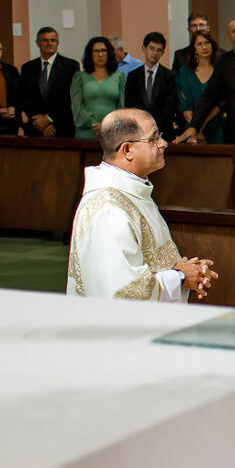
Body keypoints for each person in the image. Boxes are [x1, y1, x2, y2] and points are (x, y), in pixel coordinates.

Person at [67, 109, 216, 301]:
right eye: (153, 139)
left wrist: (189, 271)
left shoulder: (133, 192)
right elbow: (122, 291)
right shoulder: (107, 209)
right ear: (127, 150)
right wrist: (179, 277)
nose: (163, 143)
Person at [18, 26, 79, 137]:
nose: (49, 43)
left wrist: (49, 118)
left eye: (53, 40)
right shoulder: (27, 68)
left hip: (62, 127)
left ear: (57, 43)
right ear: (37, 43)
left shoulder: (71, 66)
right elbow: (24, 97)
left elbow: (71, 97)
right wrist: (40, 122)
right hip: (35, 128)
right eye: (45, 40)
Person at [70, 36, 127, 139]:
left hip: (113, 132)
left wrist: (107, 125)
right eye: (96, 51)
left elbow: (123, 106)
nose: (100, 55)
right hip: (87, 131)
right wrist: (93, 123)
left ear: (109, 53)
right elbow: (77, 106)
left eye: (103, 51)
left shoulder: (120, 77)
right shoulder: (80, 77)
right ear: (90, 54)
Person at [124, 31, 179, 137]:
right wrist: (143, 126)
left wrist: (153, 127)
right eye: (152, 48)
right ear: (143, 48)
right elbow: (130, 104)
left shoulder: (170, 76)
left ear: (163, 52)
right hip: (138, 131)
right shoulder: (133, 76)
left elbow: (170, 106)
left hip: (163, 131)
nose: (155, 53)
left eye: (159, 50)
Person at [175, 30, 223, 142]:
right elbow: (184, 105)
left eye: (207, 43)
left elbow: (220, 102)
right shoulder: (185, 72)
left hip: (215, 128)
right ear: (194, 48)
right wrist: (194, 127)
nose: (204, 47)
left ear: (212, 45)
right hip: (190, 131)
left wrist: (199, 126)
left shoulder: (220, 70)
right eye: (199, 44)